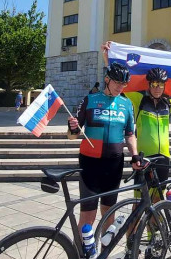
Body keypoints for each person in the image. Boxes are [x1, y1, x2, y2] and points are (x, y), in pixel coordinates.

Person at [101, 41, 171, 201]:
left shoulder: (169, 103)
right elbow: (120, 83)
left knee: (158, 201)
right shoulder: (139, 100)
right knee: (140, 202)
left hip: (163, 158)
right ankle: (135, 227)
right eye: (154, 84)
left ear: (164, 86)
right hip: (144, 157)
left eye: (160, 84)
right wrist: (108, 58)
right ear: (149, 85)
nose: (157, 87)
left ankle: (153, 228)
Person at [67, 62, 141, 235]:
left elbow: (130, 134)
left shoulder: (126, 104)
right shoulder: (90, 100)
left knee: (109, 213)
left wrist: (135, 154)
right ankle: (81, 253)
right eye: (117, 82)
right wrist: (73, 128)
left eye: (124, 84)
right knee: (88, 216)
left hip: (114, 165)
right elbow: (72, 135)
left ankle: (104, 253)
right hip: (90, 164)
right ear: (107, 79)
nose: (120, 87)